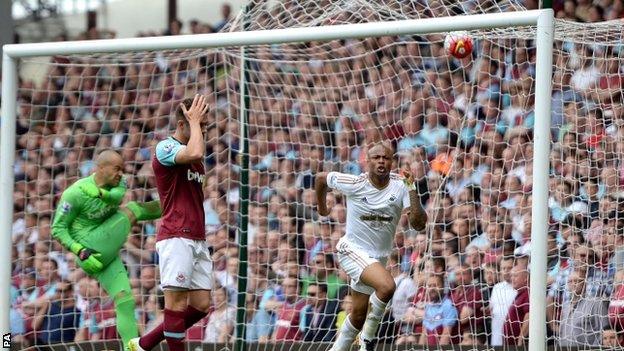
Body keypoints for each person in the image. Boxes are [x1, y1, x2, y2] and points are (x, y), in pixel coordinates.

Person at [316, 142, 427, 351]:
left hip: (377, 259)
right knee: (387, 286)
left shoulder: (402, 185)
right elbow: (321, 178)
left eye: (386, 158)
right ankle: (367, 341)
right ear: (368, 161)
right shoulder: (356, 182)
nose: (381, 162)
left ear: (392, 162)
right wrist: (322, 209)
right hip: (351, 251)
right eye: (376, 158)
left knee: (357, 316)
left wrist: (412, 188)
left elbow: (419, 224)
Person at [51, 150, 161, 350]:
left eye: (123, 169)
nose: (121, 173)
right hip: (88, 248)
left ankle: (131, 348)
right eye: (117, 169)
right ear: (100, 168)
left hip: (105, 254)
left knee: (125, 301)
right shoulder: (74, 193)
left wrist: (100, 193)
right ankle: (177, 202)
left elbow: (115, 198)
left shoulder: (119, 183)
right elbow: (57, 228)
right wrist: (80, 250)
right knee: (134, 209)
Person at [129, 94, 212, 351]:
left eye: (205, 125)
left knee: (200, 305)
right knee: (175, 305)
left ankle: (143, 344)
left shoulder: (195, 161)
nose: (203, 128)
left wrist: (196, 123)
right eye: (199, 123)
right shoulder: (165, 147)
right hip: (176, 235)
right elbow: (195, 150)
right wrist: (194, 120)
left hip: (197, 236)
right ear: (181, 123)